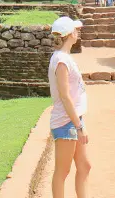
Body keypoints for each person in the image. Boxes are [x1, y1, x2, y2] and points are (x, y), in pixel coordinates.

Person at [48, 16, 90, 198]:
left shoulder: (63, 57)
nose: (78, 32)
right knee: (62, 172)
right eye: (75, 29)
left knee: (84, 166)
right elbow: (65, 96)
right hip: (66, 122)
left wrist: (79, 121)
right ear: (69, 34)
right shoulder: (61, 61)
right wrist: (78, 126)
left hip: (73, 119)